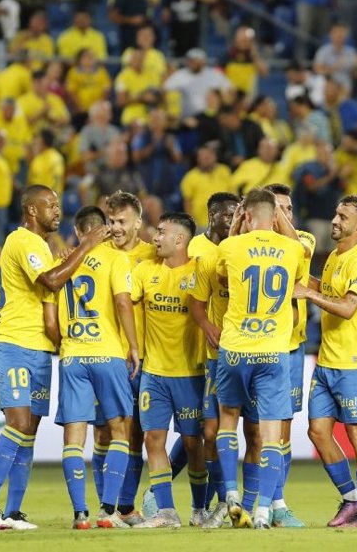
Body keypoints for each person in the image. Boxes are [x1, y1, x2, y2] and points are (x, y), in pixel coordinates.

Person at [0, 184, 108, 530]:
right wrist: (86, 245)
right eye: (50, 206)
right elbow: (50, 281)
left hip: (38, 347)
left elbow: (50, 288)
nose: (56, 211)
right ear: (32, 211)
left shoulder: (43, 248)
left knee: (29, 430)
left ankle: (12, 512)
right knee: (17, 423)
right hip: (12, 342)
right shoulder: (23, 240)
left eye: (58, 205)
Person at [216, 188, 304, 530]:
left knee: (228, 419)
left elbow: (223, 277)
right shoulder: (292, 248)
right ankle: (265, 510)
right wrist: (279, 222)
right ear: (276, 216)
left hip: (236, 349)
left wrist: (238, 228)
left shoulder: (230, 246)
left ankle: (231, 496)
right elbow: (297, 265)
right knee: (271, 435)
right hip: (273, 351)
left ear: (246, 215)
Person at [293, 194, 357, 528]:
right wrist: (306, 283)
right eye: (335, 213)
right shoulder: (332, 259)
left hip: (356, 362)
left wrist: (310, 294)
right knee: (318, 432)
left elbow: (347, 308)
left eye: (343, 216)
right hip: (327, 362)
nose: (335, 220)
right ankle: (351, 499)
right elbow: (326, 291)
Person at [53, 206, 139, 530]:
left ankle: (80, 514)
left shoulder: (64, 262)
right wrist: (133, 345)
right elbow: (121, 303)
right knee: (120, 432)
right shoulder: (116, 259)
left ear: (77, 231)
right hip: (107, 354)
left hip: (73, 356)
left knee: (74, 439)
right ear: (102, 230)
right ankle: (107, 511)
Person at [129, 212, 206, 529]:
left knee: (192, 444)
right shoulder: (145, 271)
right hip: (154, 374)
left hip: (191, 374)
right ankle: (166, 511)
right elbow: (124, 304)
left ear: (180, 239)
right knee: (153, 439)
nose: (154, 237)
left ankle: (199, 509)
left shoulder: (200, 273)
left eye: (161, 232)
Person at [90, 191, 157, 527]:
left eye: (121, 221)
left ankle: (125, 507)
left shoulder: (153, 255)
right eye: (111, 221)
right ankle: (106, 507)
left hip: (144, 358)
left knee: (136, 434)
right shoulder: (96, 254)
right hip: (106, 357)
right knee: (103, 433)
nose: (114, 228)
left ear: (138, 223)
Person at [186, 192, 240, 528]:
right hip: (188, 351)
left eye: (238, 213)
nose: (233, 219)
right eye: (228, 214)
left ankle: (241, 502)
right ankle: (205, 503)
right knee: (200, 431)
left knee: (215, 430)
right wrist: (205, 325)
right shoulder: (195, 249)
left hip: (235, 352)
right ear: (211, 214)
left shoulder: (240, 249)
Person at [265, 183, 315, 528]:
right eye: (279, 209)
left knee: (282, 428)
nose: (287, 216)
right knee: (214, 426)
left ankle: (277, 503)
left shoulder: (305, 240)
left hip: (291, 349)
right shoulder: (249, 247)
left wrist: (277, 217)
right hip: (255, 347)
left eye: (290, 209)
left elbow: (295, 247)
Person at [164, 49, 232, 119]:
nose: (193, 63)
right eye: (191, 60)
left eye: (196, 60)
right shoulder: (180, 75)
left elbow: (229, 89)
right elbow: (166, 89)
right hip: (187, 118)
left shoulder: (214, 74)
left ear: (203, 61)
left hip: (212, 117)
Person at [180, 144, 233, 229]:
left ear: (215, 157)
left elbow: (232, 195)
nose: (207, 159)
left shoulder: (225, 171)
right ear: (198, 159)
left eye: (209, 156)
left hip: (225, 221)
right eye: (203, 157)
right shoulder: (190, 177)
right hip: (202, 224)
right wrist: (192, 223)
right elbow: (187, 203)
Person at [313, 21, 357, 93]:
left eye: (342, 33)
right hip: (328, 85)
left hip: (345, 86)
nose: (339, 35)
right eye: (336, 32)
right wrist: (335, 67)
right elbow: (317, 71)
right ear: (330, 35)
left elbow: (355, 76)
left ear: (346, 35)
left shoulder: (352, 52)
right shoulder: (323, 51)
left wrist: (356, 67)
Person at [28, 129, 65, 198]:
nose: (35, 141)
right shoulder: (36, 159)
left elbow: (56, 181)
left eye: (37, 139)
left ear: (43, 141)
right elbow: (31, 181)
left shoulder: (56, 158)